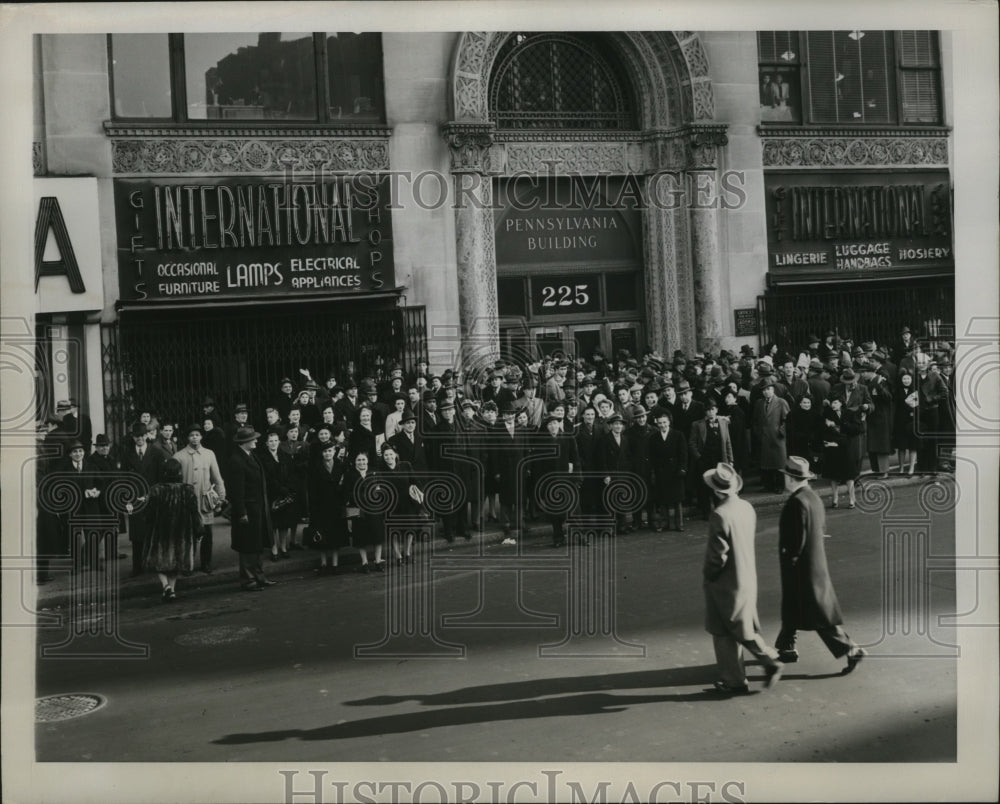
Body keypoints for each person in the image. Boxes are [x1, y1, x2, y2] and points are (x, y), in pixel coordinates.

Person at [774, 456, 867, 673]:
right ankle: (785, 647)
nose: (784, 480)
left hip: (801, 568)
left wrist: (790, 560)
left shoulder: (796, 502)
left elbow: (796, 540)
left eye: (786, 476)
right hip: (814, 563)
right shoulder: (813, 498)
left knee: (818, 616)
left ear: (791, 478)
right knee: (792, 608)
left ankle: (851, 649)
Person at [701, 462, 784, 694]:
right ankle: (760, 664)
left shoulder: (719, 514)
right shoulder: (747, 507)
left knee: (723, 631)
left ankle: (737, 678)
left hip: (726, 582)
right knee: (742, 626)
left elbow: (716, 558)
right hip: (746, 575)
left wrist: (708, 577)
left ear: (717, 491)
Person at [140, 458, 202, 602]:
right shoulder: (188, 490)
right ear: (179, 472)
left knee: (159, 562)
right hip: (181, 533)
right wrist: (198, 530)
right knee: (176, 563)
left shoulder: (156, 490)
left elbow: (148, 514)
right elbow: (194, 513)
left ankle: (166, 587)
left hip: (161, 533)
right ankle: (172, 591)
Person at [227, 426, 276, 591]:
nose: (256, 440)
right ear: (244, 442)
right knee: (248, 546)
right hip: (247, 510)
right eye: (253, 439)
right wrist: (241, 512)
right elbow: (236, 490)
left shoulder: (250, 455)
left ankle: (259, 576)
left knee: (257, 544)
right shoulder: (236, 461)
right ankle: (248, 580)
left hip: (257, 508)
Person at [173, 422, 226, 575]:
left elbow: (217, 478)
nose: (194, 438)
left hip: (205, 501)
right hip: (187, 502)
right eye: (191, 435)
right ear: (187, 438)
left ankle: (206, 563)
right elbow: (174, 482)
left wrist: (221, 498)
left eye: (197, 435)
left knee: (207, 534)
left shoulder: (209, 454)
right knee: (188, 535)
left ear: (201, 436)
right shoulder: (179, 456)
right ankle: (187, 565)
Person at [123, 422, 170, 577]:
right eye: (136, 436)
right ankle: (138, 567)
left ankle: (154, 564)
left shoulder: (156, 453)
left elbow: (160, 477)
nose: (139, 439)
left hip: (152, 497)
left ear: (146, 436)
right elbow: (124, 479)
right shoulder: (127, 454)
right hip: (135, 498)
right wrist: (128, 500)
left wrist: (155, 495)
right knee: (137, 536)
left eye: (142, 436)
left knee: (153, 533)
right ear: (133, 437)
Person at [307, 439, 350, 574]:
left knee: (336, 535)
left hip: (336, 505)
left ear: (334, 451)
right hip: (320, 506)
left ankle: (335, 564)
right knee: (322, 535)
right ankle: (324, 563)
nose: (327, 453)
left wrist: (344, 500)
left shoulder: (340, 465)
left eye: (330, 451)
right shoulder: (315, 467)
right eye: (325, 451)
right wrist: (313, 506)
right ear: (322, 453)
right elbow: (311, 488)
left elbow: (345, 486)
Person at [689, 399, 735, 520]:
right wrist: (698, 458)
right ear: (705, 412)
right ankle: (706, 512)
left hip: (720, 459)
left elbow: (728, 441)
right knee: (705, 486)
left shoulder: (723, 423)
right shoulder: (697, 424)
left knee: (719, 485)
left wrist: (730, 460)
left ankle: (720, 510)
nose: (710, 412)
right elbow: (692, 443)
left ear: (717, 410)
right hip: (704, 460)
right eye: (708, 410)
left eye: (712, 409)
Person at [343, 451, 385, 571]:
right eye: (358, 460)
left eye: (363, 459)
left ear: (367, 460)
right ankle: (364, 562)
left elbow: (381, 490)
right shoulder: (350, 475)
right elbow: (346, 493)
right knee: (361, 537)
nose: (361, 462)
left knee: (377, 535)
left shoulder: (374, 472)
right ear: (354, 462)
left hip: (374, 509)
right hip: (358, 510)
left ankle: (378, 561)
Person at [259, 428, 297, 561]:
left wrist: (288, 489)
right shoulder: (263, 459)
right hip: (272, 494)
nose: (273, 443)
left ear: (279, 442)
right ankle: (274, 548)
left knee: (284, 523)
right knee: (273, 524)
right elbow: (268, 478)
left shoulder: (286, 456)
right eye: (271, 441)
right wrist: (280, 489)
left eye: (275, 440)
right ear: (266, 443)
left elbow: (292, 474)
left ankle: (283, 547)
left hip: (285, 495)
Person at [648, 408, 687, 532]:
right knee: (663, 499)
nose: (662, 425)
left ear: (669, 422)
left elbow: (683, 454)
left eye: (664, 422)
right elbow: (652, 456)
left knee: (677, 499)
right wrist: (653, 472)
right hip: (661, 471)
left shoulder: (678, 434)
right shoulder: (653, 437)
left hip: (675, 471)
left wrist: (682, 468)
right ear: (657, 424)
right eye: (660, 423)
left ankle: (679, 523)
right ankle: (664, 523)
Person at [752, 377, 790, 493]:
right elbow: (755, 420)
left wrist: (780, 431)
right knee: (766, 464)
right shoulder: (759, 403)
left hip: (777, 438)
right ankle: (768, 485)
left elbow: (788, 420)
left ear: (773, 389)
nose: (766, 392)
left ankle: (780, 486)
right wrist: (758, 432)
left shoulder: (781, 402)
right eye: (764, 390)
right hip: (764, 438)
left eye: (768, 389)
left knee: (778, 463)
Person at [598, 412, 632, 534]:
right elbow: (602, 459)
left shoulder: (625, 439)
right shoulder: (604, 440)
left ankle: (622, 526)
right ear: (611, 426)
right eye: (615, 424)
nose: (618, 426)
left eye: (620, 424)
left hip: (623, 475)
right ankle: (610, 528)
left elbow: (628, 457)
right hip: (611, 475)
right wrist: (606, 474)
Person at [863, 362, 894, 476]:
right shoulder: (867, 382)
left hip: (881, 417)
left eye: (864, 372)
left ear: (871, 372)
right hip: (872, 417)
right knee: (873, 445)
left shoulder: (881, 381)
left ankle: (883, 471)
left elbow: (889, 397)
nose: (863, 374)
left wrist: (879, 387)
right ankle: (876, 469)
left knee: (881, 445)